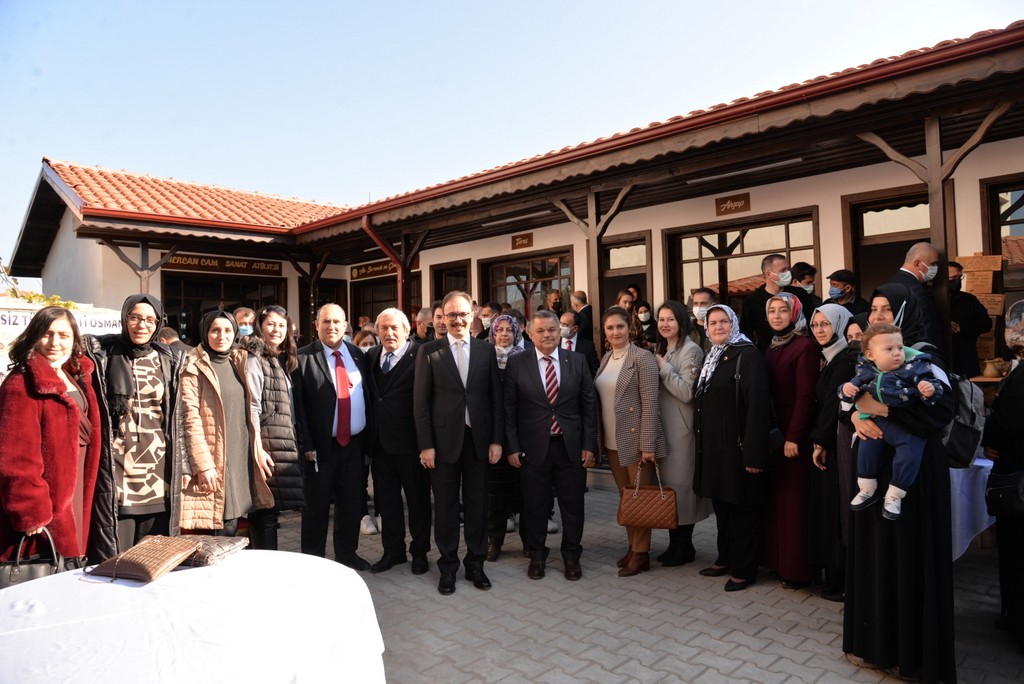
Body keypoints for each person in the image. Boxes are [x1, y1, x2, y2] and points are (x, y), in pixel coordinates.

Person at [842, 295, 957, 681]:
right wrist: (858, 418)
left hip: (915, 479)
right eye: (874, 311)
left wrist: (884, 410)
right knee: (876, 557)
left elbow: (941, 414)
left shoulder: (927, 362)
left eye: (888, 310)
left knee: (910, 558)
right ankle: (873, 645)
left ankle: (913, 656)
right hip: (875, 473)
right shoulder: (865, 363)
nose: (879, 316)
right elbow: (845, 405)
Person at [414, 291, 504, 596]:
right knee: (447, 507)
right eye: (451, 314)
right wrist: (426, 445)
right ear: (442, 317)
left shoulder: (485, 351)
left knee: (479, 507)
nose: (457, 319)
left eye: (463, 313)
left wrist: (496, 440)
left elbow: (495, 400)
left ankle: (475, 564)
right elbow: (420, 404)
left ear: (473, 313)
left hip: (478, 442)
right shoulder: (429, 352)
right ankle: (448, 567)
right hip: (442, 443)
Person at [0, 307, 106, 566]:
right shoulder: (21, 383)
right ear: (34, 336)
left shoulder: (72, 374)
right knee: (47, 571)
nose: (55, 342)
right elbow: (15, 455)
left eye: (63, 335)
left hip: (76, 480)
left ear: (74, 340)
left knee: (74, 560)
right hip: (48, 496)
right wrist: (30, 509)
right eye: (47, 334)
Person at [85, 294, 186, 552]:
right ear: (125, 318)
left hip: (158, 472)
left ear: (158, 323)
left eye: (150, 319)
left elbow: (178, 416)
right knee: (115, 559)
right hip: (118, 472)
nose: (142, 325)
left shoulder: (168, 359)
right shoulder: (103, 355)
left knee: (153, 559)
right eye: (135, 317)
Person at [505, 310, 597, 581]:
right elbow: (509, 409)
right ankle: (537, 556)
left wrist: (589, 445)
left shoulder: (577, 361)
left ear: (561, 332)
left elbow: (588, 405)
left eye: (552, 330)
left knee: (573, 506)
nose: (547, 335)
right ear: (530, 335)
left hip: (570, 446)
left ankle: (571, 556)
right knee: (534, 505)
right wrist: (512, 447)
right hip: (533, 448)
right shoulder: (517, 363)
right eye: (541, 331)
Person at [693, 304, 771, 592]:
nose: (717, 327)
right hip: (716, 449)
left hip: (739, 449)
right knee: (723, 506)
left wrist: (754, 453)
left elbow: (758, 407)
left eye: (723, 321)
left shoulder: (747, 355)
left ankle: (744, 569)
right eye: (712, 322)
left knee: (742, 510)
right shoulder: (713, 356)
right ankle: (725, 557)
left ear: (734, 323)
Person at [178, 311, 274, 536]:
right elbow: (189, 419)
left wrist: (257, 449)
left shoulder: (238, 361)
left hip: (239, 457)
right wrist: (203, 465)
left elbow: (251, 410)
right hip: (214, 459)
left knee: (235, 522)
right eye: (215, 330)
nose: (222, 336)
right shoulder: (193, 366)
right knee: (219, 527)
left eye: (228, 330)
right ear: (205, 333)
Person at [292, 303, 372, 570]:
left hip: (354, 443)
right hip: (320, 447)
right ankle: (313, 560)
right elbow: (299, 407)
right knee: (316, 505)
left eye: (337, 322)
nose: (332, 327)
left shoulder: (358, 354)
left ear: (346, 325)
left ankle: (347, 554)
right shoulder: (302, 357)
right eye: (326, 321)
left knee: (351, 502)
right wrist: (307, 444)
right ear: (316, 324)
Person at [841, 324, 943, 520]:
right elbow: (850, 391)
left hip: (905, 426)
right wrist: (846, 391)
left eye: (900, 347)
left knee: (910, 452)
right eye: (889, 349)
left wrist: (928, 390)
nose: (897, 353)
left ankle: (895, 494)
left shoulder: (914, 367)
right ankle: (866, 488)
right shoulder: (865, 370)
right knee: (867, 447)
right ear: (871, 355)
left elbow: (935, 391)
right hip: (878, 424)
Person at [594, 306, 666, 577]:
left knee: (639, 497)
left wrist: (648, 444)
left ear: (629, 328)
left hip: (636, 440)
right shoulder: (607, 358)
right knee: (627, 498)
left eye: (620, 327)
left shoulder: (642, 357)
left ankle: (642, 553)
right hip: (612, 441)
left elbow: (650, 403)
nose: (615, 332)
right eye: (610, 328)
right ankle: (632, 546)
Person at [364, 308, 431, 575]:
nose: (389, 333)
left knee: (418, 502)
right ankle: (393, 551)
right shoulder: (370, 356)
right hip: (380, 444)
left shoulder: (421, 355)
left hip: (412, 444)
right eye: (384, 328)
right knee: (387, 501)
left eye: (394, 328)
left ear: (407, 329)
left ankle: (420, 552)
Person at [762, 292, 820, 587]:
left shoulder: (804, 346)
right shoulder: (770, 347)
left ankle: (797, 570)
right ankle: (776, 561)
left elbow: (805, 396)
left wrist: (794, 436)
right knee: (776, 500)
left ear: (794, 313)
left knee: (794, 503)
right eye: (771, 310)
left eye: (782, 310)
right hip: (773, 433)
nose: (776, 315)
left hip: (793, 433)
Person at [981, 301, 1024, 654]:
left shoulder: (1021, 375)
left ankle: (1016, 620)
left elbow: (1006, 421)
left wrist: (990, 440)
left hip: (1018, 474)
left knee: (1015, 550)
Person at [653, 300, 708, 566]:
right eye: (661, 319)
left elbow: (687, 392)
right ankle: (676, 544)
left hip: (682, 430)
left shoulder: (691, 350)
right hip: (664, 429)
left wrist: (663, 368)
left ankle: (684, 546)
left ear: (681, 322)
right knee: (669, 489)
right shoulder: (663, 348)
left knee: (682, 490)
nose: (665, 324)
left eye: (670, 319)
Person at [243, 305, 303, 550]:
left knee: (270, 511)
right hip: (267, 444)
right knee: (265, 511)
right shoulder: (254, 358)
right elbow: (253, 407)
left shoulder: (280, 358)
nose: (276, 329)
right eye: (271, 324)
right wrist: (257, 447)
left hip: (281, 441)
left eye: (282, 325)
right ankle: (266, 569)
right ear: (260, 326)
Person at [806, 304, 855, 602]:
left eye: (826, 324)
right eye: (816, 325)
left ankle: (841, 580)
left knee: (839, 512)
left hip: (838, 445)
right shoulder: (829, 358)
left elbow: (832, 406)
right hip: (830, 442)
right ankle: (833, 577)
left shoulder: (844, 359)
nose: (820, 329)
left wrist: (820, 441)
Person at [485, 313, 526, 561]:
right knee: (495, 496)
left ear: (517, 333)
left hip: (522, 434)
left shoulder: (526, 358)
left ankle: (530, 542)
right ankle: (494, 541)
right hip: (494, 437)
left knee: (526, 493)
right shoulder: (485, 357)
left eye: (508, 330)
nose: (503, 334)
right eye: (498, 330)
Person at [740, 254, 815, 351]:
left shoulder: (799, 294)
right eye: (783, 270)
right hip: (767, 355)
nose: (788, 273)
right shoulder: (752, 301)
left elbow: (812, 323)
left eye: (788, 269)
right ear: (768, 274)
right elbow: (746, 334)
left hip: (799, 351)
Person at [884, 242, 943, 349]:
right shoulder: (915, 289)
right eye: (933, 264)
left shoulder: (889, 283)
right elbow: (925, 329)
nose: (935, 268)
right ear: (917, 264)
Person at [947, 261, 992, 378]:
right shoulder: (931, 299)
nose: (957, 280)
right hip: (943, 359)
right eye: (953, 278)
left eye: (959, 277)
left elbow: (986, 323)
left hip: (966, 358)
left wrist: (962, 327)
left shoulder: (969, 300)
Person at [559, 310, 598, 376]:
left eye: (565, 325)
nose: (560, 327)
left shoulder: (588, 346)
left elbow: (594, 370)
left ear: (575, 328)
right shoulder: (553, 343)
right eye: (560, 323)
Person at [690, 287, 717, 353]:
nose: (698, 307)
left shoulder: (719, 330)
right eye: (695, 303)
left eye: (703, 304)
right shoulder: (686, 330)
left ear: (713, 305)